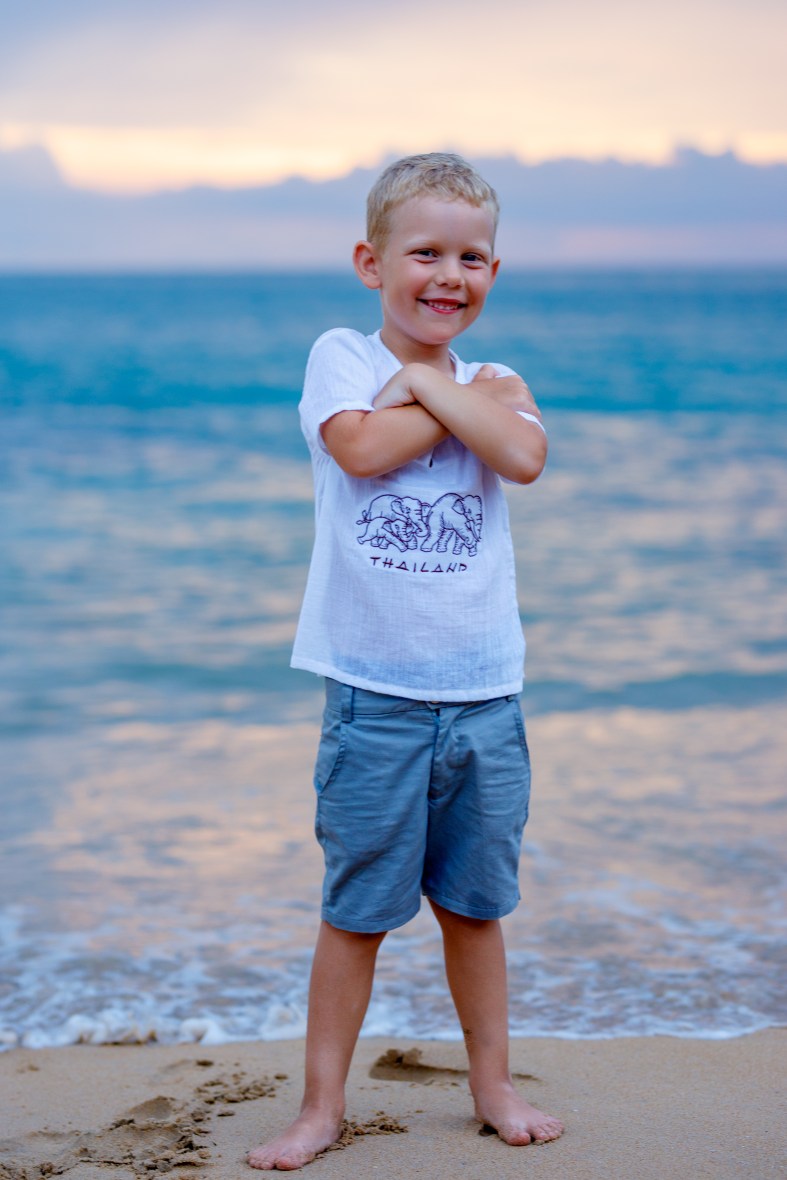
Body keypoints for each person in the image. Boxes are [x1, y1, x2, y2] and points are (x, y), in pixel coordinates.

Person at [248, 152, 564, 1171]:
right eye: (423, 252)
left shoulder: (487, 379)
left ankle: (493, 1085)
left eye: (470, 257)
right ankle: (320, 1106)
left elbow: (522, 457)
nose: (447, 275)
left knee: (475, 905)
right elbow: (362, 449)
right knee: (358, 910)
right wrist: (463, 398)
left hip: (484, 694)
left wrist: (424, 383)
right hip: (373, 696)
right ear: (369, 261)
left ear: (492, 272)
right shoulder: (339, 354)